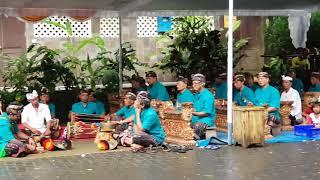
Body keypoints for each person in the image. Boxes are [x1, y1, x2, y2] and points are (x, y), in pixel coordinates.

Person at [254, 72, 281, 138]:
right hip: (258, 112)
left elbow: (274, 107)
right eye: (259, 79)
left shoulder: (274, 91)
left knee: (270, 116)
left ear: (267, 79)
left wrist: (263, 111)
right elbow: (255, 104)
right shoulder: (257, 91)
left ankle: (267, 133)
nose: (260, 80)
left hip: (271, 115)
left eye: (262, 78)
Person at [191, 74, 215, 140]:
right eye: (193, 83)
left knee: (198, 126)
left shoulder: (208, 95)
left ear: (202, 84)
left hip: (205, 120)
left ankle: (196, 136)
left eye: (196, 83)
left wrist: (192, 112)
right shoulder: (196, 94)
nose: (193, 85)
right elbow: (195, 107)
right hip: (196, 119)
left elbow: (206, 113)